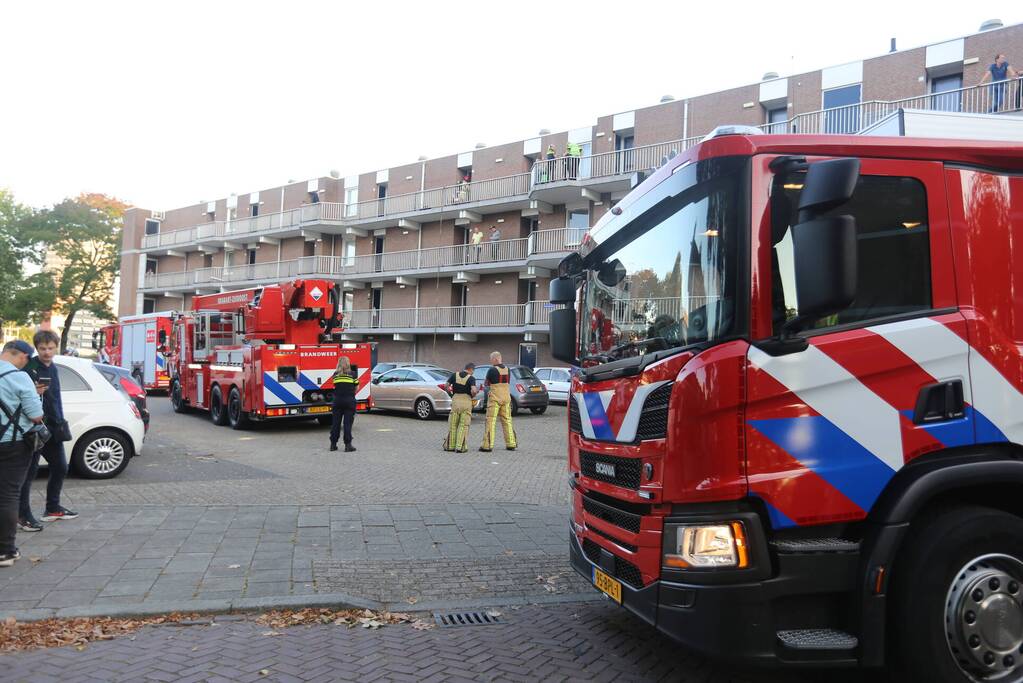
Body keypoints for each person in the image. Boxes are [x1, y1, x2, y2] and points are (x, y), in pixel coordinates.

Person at [19, 330, 77, 531]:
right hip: (35, 428)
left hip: (54, 427)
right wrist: (32, 392)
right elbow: (19, 395)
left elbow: (55, 398)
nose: (46, 352)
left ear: (56, 347)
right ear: (37, 348)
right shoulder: (29, 367)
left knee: (60, 466)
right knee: (29, 473)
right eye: (42, 348)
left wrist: (60, 420)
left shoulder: (53, 367)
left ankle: (52, 508)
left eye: (50, 348)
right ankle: (23, 515)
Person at [0, 340, 44, 567]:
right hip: (13, 444)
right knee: (8, 495)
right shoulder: (19, 378)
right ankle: (5, 551)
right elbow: (36, 415)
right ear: (23, 356)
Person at [480, 351, 517, 452]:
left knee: (490, 421)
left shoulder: (492, 370)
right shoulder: (508, 369)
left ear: (495, 359)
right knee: (507, 420)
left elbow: (486, 383)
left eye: (491, 360)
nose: (491, 362)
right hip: (506, 398)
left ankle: (487, 445)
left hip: (495, 398)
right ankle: (511, 444)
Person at [443, 362, 477, 453]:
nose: (473, 373)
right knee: (463, 425)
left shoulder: (455, 375)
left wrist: (451, 395)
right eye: (473, 371)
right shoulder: (471, 378)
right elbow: (474, 390)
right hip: (466, 403)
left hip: (455, 402)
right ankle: (460, 447)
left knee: (453, 425)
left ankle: (450, 446)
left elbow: (446, 386)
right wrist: (473, 395)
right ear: (471, 369)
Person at [329, 355, 358, 452]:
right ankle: (348, 445)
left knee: (335, 423)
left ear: (339, 364)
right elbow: (356, 387)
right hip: (349, 401)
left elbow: (335, 386)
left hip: (337, 401)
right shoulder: (353, 374)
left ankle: (333, 445)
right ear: (348, 363)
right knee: (347, 424)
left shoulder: (335, 375)